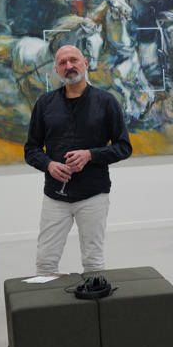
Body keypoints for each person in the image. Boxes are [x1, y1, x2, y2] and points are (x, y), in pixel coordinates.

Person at [24, 45, 132, 276]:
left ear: (85, 63)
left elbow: (124, 147)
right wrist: (49, 165)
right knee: (45, 264)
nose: (69, 66)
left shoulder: (107, 101)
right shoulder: (44, 103)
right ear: (56, 70)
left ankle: (95, 300)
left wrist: (91, 155)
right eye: (62, 63)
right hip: (55, 196)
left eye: (73, 60)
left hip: (93, 195)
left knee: (93, 263)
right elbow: (31, 149)